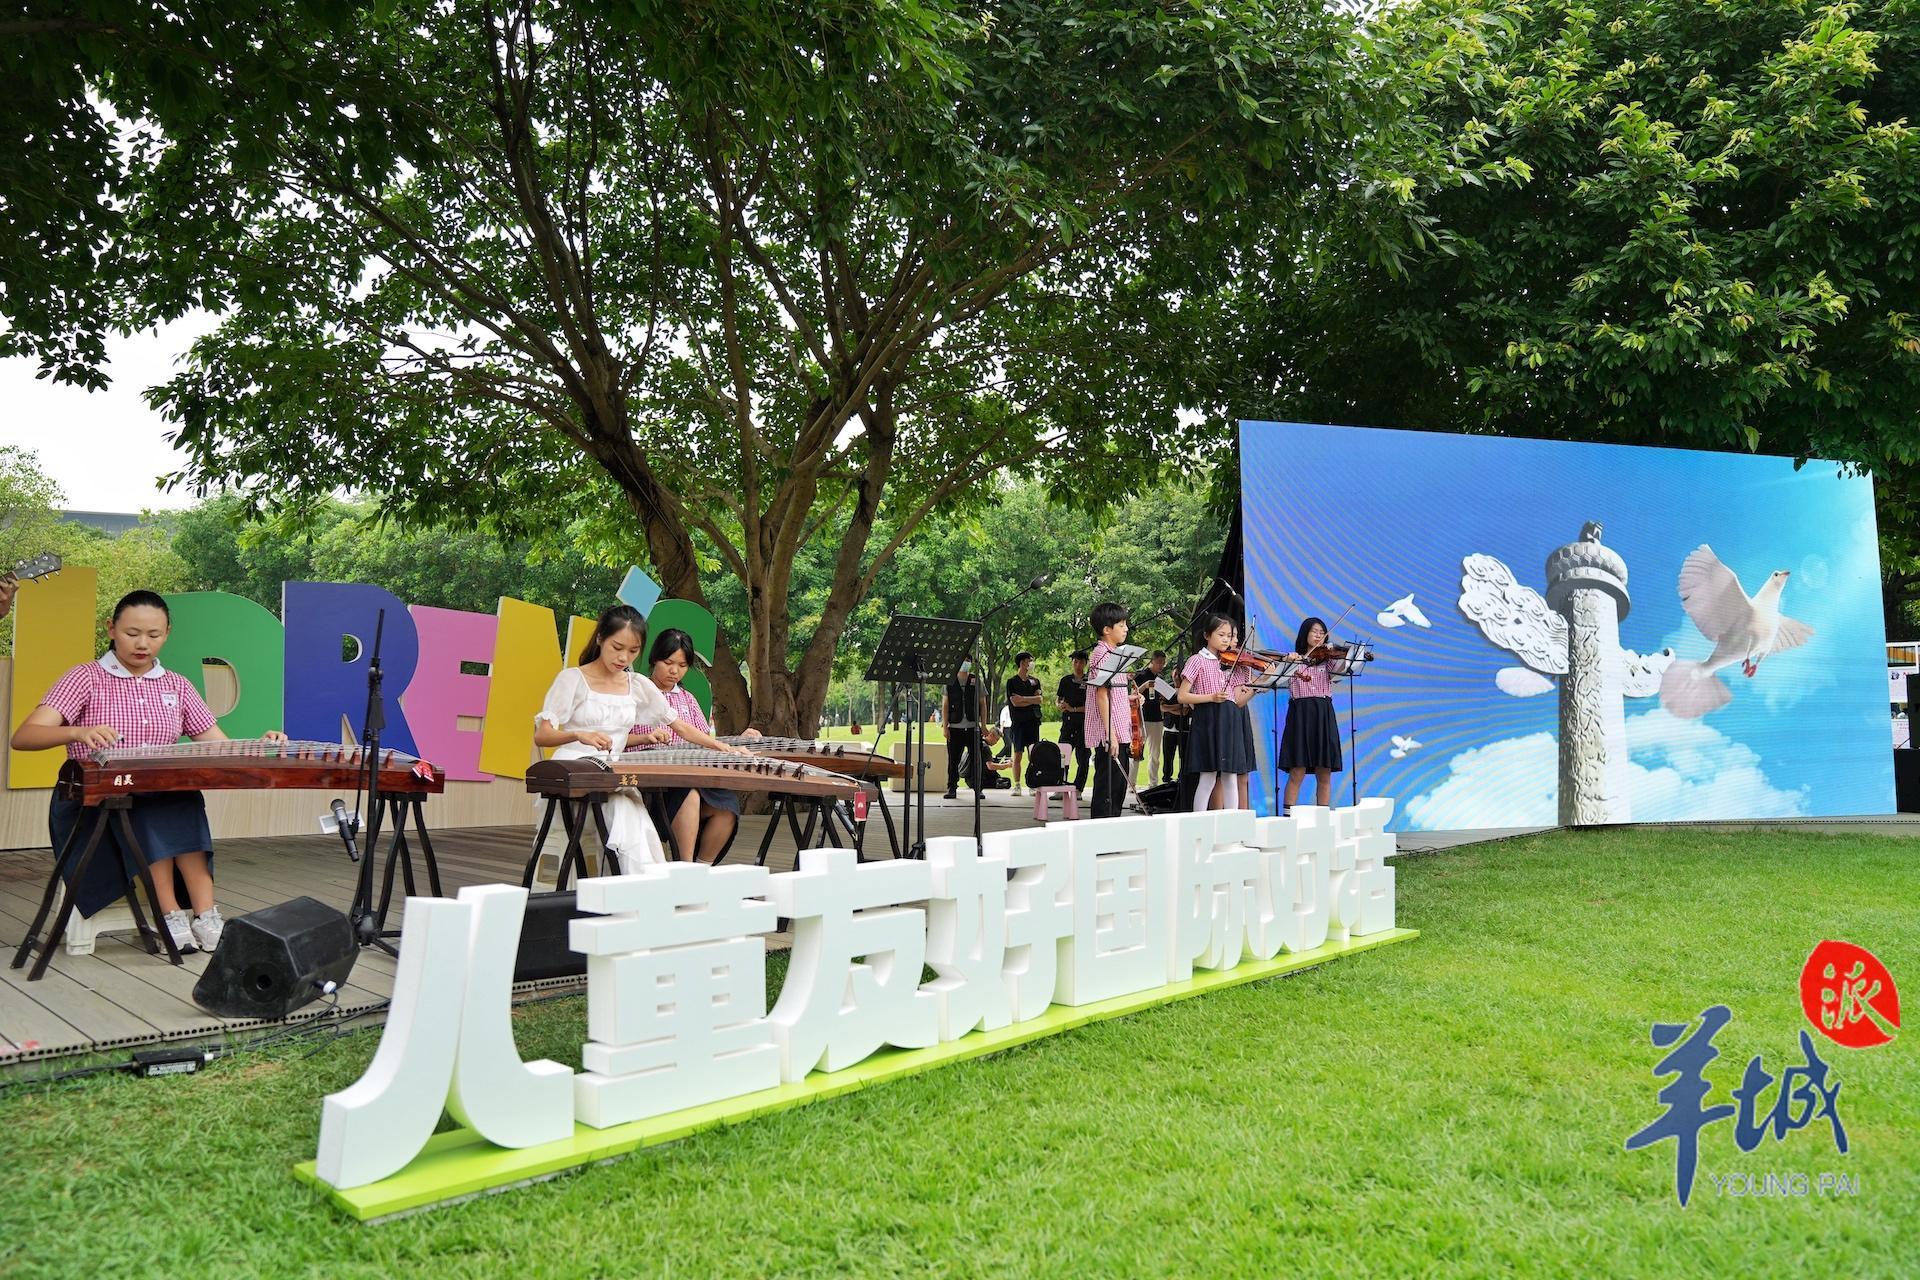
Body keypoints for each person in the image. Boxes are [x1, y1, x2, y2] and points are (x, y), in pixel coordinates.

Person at [10, 590, 290, 953]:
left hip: (161, 791)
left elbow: (216, 745)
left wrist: (261, 744)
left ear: (167, 633)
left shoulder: (177, 684)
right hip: (94, 799)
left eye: (154, 635)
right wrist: (77, 732)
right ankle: (168, 913)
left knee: (184, 798)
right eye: (132, 633)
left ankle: (206, 915)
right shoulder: (86, 678)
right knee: (150, 806)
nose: (143, 644)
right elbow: (24, 737)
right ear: (111, 629)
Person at [532, 605, 748, 872]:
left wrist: (722, 747)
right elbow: (542, 735)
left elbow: (680, 726)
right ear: (600, 638)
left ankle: (644, 889)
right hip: (573, 773)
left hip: (613, 776)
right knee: (613, 830)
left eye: (633, 651)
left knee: (635, 831)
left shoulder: (636, 685)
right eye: (617, 647)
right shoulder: (572, 679)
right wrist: (578, 734)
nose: (623, 657)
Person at [633, 628, 763, 864]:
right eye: (668, 662)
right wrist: (646, 738)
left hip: (689, 777)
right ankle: (685, 867)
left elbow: (703, 740)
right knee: (689, 794)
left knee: (726, 807)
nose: (674, 671)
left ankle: (702, 868)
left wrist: (736, 741)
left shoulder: (688, 699)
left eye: (682, 665)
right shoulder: (638, 694)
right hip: (653, 783)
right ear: (654, 659)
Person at [1176, 613, 1259, 811]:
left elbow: (1238, 700)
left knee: (1230, 776)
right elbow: (1182, 696)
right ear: (1207, 635)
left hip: (1230, 721)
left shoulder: (1233, 664)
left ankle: (1231, 823)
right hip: (1208, 721)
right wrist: (1211, 697)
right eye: (1221, 635)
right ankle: (1199, 822)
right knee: (1208, 776)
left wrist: (1259, 683)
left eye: (1229, 636)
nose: (1226, 640)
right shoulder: (1197, 660)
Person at [1280, 616, 1348, 811]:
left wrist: (1346, 656)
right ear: (1305, 633)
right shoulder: (1294, 659)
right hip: (1300, 714)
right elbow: (1279, 678)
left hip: (1323, 714)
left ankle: (1323, 817)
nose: (1318, 635)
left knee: (1324, 771)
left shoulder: (1328, 661)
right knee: (1297, 770)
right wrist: (1288, 661)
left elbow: (1341, 672)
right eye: (1314, 631)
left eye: (1322, 633)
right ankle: (1288, 818)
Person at [1084, 601, 1138, 820]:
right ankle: (1101, 832)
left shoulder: (1115, 655)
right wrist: (1110, 734)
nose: (1126, 629)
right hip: (1110, 733)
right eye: (1121, 625)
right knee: (1107, 790)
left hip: (1119, 730)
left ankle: (1112, 829)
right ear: (1107, 629)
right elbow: (1101, 694)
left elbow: (1112, 693)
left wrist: (1130, 698)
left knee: (1118, 788)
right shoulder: (1102, 655)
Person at [941, 661, 987, 798]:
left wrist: (983, 725)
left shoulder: (976, 680)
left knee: (976, 760)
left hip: (973, 728)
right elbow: (945, 705)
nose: (965, 663)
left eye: (968, 660)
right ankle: (952, 788)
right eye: (963, 660)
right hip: (955, 727)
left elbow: (983, 704)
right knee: (953, 760)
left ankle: (978, 788)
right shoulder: (949, 680)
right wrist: (945, 727)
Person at [1004, 652, 1044, 797]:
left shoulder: (1035, 681)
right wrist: (1030, 700)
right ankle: (1017, 785)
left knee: (1033, 754)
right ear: (1022, 663)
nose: (1031, 663)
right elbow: (1015, 702)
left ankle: (1032, 784)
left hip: (1033, 722)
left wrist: (1024, 698)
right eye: (1029, 661)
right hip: (1018, 723)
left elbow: (1039, 699)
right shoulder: (1011, 682)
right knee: (1018, 754)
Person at [1055, 651, 1091, 796]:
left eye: (1081, 662)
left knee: (1083, 758)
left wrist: (1073, 709)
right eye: (1075, 662)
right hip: (1068, 724)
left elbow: (1093, 705)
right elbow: (1059, 698)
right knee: (1062, 756)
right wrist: (1059, 705)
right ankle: (1060, 786)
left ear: (1085, 663)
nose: (1078, 665)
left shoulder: (1090, 681)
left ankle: (1078, 789)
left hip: (1084, 724)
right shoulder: (1065, 680)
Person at [1132, 650, 1169, 787]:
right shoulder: (1141, 675)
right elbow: (1133, 693)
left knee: (1155, 754)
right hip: (1141, 717)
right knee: (1136, 752)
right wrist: (1145, 685)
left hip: (1157, 718)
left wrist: (1164, 696)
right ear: (1152, 661)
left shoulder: (1160, 678)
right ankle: (1131, 783)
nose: (1161, 665)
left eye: (1163, 663)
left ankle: (1153, 783)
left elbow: (1163, 697)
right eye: (1159, 662)